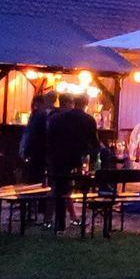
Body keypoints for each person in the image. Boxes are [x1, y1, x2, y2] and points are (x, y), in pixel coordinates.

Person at [46, 91, 101, 231]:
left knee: (59, 189)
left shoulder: (58, 118)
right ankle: (74, 220)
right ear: (86, 104)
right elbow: (95, 144)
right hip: (77, 160)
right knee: (74, 189)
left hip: (58, 158)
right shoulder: (88, 119)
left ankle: (59, 224)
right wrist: (93, 162)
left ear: (74, 103)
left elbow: (50, 138)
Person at [22, 89, 58, 185]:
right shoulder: (56, 113)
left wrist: (26, 148)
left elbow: (31, 132)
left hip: (39, 148)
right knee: (42, 175)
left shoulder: (38, 114)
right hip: (46, 149)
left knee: (35, 175)